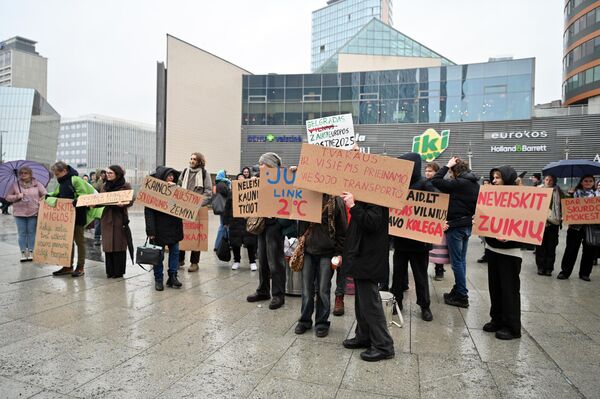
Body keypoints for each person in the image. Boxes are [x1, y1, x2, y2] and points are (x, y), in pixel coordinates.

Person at [341, 191, 394, 362]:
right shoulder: (367, 194)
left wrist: (353, 206)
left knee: (370, 303)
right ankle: (363, 336)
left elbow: (372, 222)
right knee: (362, 301)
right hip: (361, 256)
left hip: (368, 258)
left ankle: (383, 345)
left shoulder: (375, 195)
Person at [295, 194, 347, 338]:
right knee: (306, 290)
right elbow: (301, 222)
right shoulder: (309, 195)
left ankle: (322, 323)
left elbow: (342, 230)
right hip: (308, 251)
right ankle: (305, 320)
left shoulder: (336, 201)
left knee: (323, 290)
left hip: (327, 252)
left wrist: (339, 252)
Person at [391, 153, 435, 321]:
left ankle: (425, 306)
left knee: (420, 276)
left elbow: (437, 204)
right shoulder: (398, 184)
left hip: (419, 243)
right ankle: (396, 302)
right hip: (401, 241)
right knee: (397, 275)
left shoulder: (425, 184)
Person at [431, 157, 479, 308]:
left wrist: (446, 165)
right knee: (461, 261)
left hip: (456, 227)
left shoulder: (460, 183)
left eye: (451, 172)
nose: (450, 175)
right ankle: (459, 289)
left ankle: (462, 295)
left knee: (457, 262)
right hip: (466, 226)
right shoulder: (474, 184)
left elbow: (436, 180)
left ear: (455, 171)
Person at [483, 165, 523, 340]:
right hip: (492, 249)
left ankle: (512, 326)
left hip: (510, 252)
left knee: (509, 290)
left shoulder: (522, 200)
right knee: (495, 288)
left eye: (498, 177)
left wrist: (513, 235)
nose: (494, 181)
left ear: (507, 179)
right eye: (493, 177)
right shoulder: (490, 197)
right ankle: (497, 319)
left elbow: (528, 226)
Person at [246, 152, 288, 310]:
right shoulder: (257, 179)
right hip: (262, 223)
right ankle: (263, 290)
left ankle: (278, 295)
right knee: (262, 259)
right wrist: (251, 185)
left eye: (262, 163)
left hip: (275, 224)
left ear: (271, 165)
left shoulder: (283, 179)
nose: (260, 166)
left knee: (275, 261)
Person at [48, 161, 97, 277]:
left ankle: (80, 267)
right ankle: (67, 266)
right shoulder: (61, 182)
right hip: (66, 217)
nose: (56, 176)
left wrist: (77, 200)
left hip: (78, 215)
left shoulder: (75, 179)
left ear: (64, 171)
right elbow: (57, 194)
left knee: (79, 241)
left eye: (57, 174)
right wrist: (48, 197)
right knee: (67, 242)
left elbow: (84, 195)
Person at [145, 166, 183, 291]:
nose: (171, 178)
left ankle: (173, 276)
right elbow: (149, 212)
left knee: (175, 253)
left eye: (173, 176)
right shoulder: (153, 191)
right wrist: (150, 231)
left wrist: (176, 191)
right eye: (168, 176)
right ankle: (158, 279)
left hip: (174, 227)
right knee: (158, 255)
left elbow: (184, 206)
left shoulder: (178, 191)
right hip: (159, 229)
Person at [558, 175, 598, 281]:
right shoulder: (574, 193)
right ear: (581, 182)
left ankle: (585, 273)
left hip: (591, 228)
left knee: (589, 251)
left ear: (594, 183)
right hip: (575, 227)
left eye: (590, 181)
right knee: (571, 250)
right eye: (586, 181)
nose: (588, 182)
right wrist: (569, 195)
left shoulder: (598, 195)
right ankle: (565, 272)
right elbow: (566, 207)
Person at [177, 152, 212, 272]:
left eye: (194, 159)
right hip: (183, 208)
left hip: (197, 209)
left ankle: (194, 263)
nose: (191, 161)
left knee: (195, 235)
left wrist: (197, 204)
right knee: (182, 234)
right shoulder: (185, 172)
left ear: (199, 161)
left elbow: (208, 192)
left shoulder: (204, 174)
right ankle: (180, 260)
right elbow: (179, 186)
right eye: (190, 158)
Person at [5, 166, 47, 261]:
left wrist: (41, 200)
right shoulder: (15, 185)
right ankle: (23, 252)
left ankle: (31, 251)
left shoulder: (37, 184)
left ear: (30, 174)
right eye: (21, 173)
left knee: (32, 232)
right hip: (19, 213)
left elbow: (45, 193)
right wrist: (17, 196)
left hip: (34, 212)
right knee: (22, 233)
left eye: (26, 173)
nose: (23, 175)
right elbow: (7, 197)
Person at [100, 165, 133, 278]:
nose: (107, 175)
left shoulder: (125, 186)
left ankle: (118, 271)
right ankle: (110, 271)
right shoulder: (105, 186)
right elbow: (100, 200)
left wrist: (124, 204)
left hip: (120, 218)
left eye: (110, 173)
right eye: (107, 173)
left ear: (117, 174)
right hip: (107, 218)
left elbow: (131, 199)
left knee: (119, 245)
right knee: (108, 245)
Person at [223, 172, 257, 271]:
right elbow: (227, 207)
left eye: (243, 177)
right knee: (235, 242)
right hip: (235, 220)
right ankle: (236, 261)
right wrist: (226, 221)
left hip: (248, 220)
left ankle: (252, 261)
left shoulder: (251, 192)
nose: (241, 179)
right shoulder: (231, 193)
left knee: (250, 242)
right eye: (239, 178)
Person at [425, 162, 449, 281]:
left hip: (439, 219)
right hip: (425, 220)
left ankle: (439, 268)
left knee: (439, 246)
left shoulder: (442, 185)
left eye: (430, 171)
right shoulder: (423, 183)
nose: (427, 173)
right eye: (426, 171)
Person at [535, 174, 563, 276]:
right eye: (547, 179)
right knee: (540, 247)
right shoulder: (538, 190)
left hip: (553, 223)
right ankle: (540, 267)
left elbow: (565, 203)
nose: (548, 181)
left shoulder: (558, 191)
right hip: (540, 223)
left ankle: (549, 268)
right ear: (544, 180)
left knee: (551, 247)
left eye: (551, 180)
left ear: (554, 181)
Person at [213, 169, 231, 252]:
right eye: (225, 174)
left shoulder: (219, 183)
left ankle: (222, 243)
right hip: (224, 208)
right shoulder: (222, 184)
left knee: (223, 226)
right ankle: (218, 245)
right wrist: (230, 186)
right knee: (223, 226)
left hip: (223, 208)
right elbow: (228, 193)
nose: (226, 176)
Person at [92, 169, 106, 246]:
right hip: (98, 207)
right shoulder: (95, 183)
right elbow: (96, 190)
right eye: (101, 173)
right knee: (98, 224)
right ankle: (97, 238)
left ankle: (104, 238)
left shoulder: (108, 182)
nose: (103, 175)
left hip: (105, 206)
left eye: (104, 173)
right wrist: (100, 182)